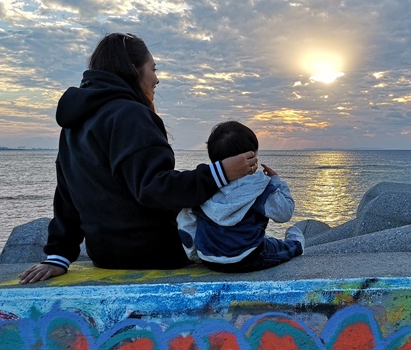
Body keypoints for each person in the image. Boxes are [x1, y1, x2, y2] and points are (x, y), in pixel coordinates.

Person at [19, 33, 258, 283]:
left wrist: (58, 255)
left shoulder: (74, 123)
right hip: (158, 251)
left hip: (106, 256)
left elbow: (67, 194)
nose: (157, 78)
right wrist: (220, 173)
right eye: (153, 69)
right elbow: (154, 187)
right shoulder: (130, 114)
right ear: (134, 70)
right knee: (244, 221)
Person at [177, 121, 304, 272]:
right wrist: (277, 182)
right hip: (250, 257)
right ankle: (296, 244)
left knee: (261, 240)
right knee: (278, 248)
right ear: (251, 157)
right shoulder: (259, 187)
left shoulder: (202, 187)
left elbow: (187, 224)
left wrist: (195, 254)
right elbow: (285, 213)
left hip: (209, 259)